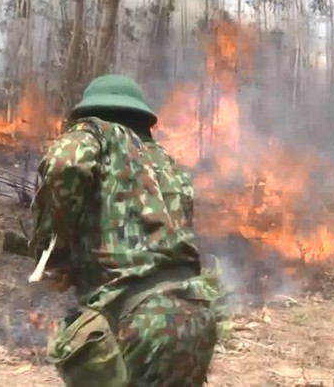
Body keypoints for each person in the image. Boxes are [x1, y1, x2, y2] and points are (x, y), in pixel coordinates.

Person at [29, 74, 226, 387]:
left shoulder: (94, 133)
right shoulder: (166, 162)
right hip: (196, 316)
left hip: (138, 321)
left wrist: (51, 251)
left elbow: (67, 164)